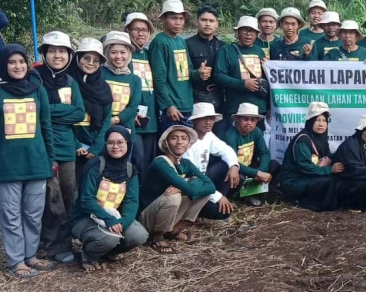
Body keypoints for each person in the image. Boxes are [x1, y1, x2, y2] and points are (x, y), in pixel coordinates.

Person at [0, 44, 55, 278]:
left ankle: (31, 255)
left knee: (33, 214)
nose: (18, 66)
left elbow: (46, 127)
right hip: (7, 166)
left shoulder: (37, 89)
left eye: (21, 61)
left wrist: (50, 159)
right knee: (11, 214)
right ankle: (16, 261)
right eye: (12, 62)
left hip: (37, 163)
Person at [37, 31, 85, 263]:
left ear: (69, 55)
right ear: (45, 53)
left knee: (67, 195)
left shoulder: (70, 81)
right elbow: (35, 111)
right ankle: (52, 246)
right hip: (43, 147)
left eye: (62, 51)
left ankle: (62, 242)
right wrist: (51, 113)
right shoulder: (34, 78)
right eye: (52, 50)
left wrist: (48, 112)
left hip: (67, 148)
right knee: (50, 197)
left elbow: (78, 112)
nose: (57, 55)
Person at [70, 126, 148, 271]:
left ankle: (108, 252)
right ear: (105, 144)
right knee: (109, 238)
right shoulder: (95, 166)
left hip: (114, 217)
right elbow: (86, 200)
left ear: (128, 144)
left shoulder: (130, 170)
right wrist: (108, 219)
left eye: (120, 142)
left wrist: (122, 223)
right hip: (86, 217)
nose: (115, 146)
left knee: (139, 235)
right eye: (111, 142)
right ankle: (88, 255)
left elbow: (132, 201)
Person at [139, 125, 215, 254]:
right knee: (173, 196)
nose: (179, 142)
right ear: (166, 143)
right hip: (147, 215)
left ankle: (173, 229)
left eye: (184, 138)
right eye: (174, 138)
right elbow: (190, 188)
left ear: (189, 144)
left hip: (165, 211)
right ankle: (156, 236)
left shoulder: (185, 163)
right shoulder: (161, 162)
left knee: (204, 194)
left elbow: (211, 186)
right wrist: (189, 187)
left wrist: (187, 187)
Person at [150, 0, 209, 129]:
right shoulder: (160, 42)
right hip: (173, 108)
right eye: (173, 18)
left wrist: (199, 73)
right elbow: (158, 79)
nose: (178, 22)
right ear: (164, 19)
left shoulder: (181, 41)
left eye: (181, 18)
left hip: (186, 104)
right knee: (172, 146)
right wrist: (168, 105)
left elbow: (187, 71)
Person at [279, 102, 343, 211]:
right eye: (318, 120)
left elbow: (326, 157)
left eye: (324, 121)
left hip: (307, 177)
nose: (321, 124)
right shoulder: (303, 141)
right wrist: (330, 170)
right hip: (294, 182)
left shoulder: (320, 138)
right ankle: (305, 201)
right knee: (328, 180)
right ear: (311, 121)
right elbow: (306, 167)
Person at [184, 103, 239, 220]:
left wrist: (234, 166)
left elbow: (226, 150)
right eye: (204, 118)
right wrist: (217, 196)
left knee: (226, 166)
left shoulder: (208, 135)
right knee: (222, 213)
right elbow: (192, 179)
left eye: (211, 118)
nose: (208, 122)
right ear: (195, 121)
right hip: (191, 188)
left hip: (203, 182)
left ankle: (221, 200)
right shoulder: (187, 142)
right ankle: (196, 211)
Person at [215, 16, 269, 128]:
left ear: (257, 34)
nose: (248, 34)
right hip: (236, 109)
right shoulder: (226, 50)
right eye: (245, 30)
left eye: (252, 31)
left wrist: (268, 68)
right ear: (237, 32)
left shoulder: (260, 51)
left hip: (258, 109)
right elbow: (219, 76)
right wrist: (243, 84)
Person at [71, 38, 113, 179]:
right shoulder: (68, 82)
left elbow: (107, 119)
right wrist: (76, 144)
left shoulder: (104, 88)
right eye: (86, 58)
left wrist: (96, 147)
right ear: (78, 58)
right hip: (72, 145)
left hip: (95, 145)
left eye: (96, 60)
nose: (91, 63)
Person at [224, 103, 280, 206]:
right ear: (237, 119)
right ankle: (236, 196)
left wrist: (261, 171)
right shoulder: (230, 135)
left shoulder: (256, 132)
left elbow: (264, 152)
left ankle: (259, 194)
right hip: (238, 169)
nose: (249, 123)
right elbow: (233, 163)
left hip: (250, 168)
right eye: (245, 119)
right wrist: (256, 174)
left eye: (253, 120)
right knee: (237, 177)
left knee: (274, 164)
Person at [125, 12, 159, 173]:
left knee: (149, 160)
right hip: (132, 119)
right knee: (136, 158)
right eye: (136, 29)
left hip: (151, 118)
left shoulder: (148, 54)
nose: (141, 33)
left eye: (144, 30)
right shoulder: (123, 55)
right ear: (127, 31)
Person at [101, 31, 143, 137]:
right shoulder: (99, 73)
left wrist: (116, 119)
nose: (118, 56)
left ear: (129, 53)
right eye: (113, 52)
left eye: (123, 52)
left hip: (125, 129)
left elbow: (133, 106)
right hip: (100, 128)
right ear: (106, 53)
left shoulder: (135, 80)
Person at [185, 6, 223, 117]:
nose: (207, 24)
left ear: (217, 24)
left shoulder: (223, 46)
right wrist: (198, 73)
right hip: (196, 95)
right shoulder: (187, 44)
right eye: (203, 20)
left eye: (211, 21)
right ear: (197, 22)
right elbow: (182, 71)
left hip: (219, 96)